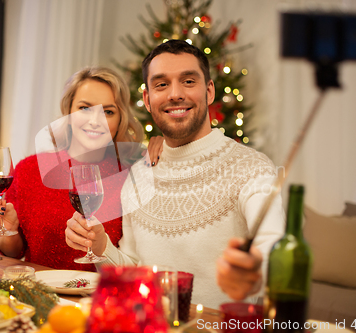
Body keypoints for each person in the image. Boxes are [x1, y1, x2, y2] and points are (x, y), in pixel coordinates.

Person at [65, 40, 285, 308]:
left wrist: (254, 270)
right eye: (161, 84)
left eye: (188, 81)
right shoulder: (137, 176)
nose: (175, 94)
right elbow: (132, 270)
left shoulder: (252, 168)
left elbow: (275, 249)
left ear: (209, 91)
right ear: (147, 99)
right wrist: (101, 247)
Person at [0, 66, 162, 272]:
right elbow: (15, 253)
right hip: (40, 296)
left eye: (108, 111)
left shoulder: (136, 172)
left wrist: (163, 144)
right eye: (85, 108)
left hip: (102, 298)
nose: (95, 121)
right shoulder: (28, 170)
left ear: (120, 118)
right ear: (67, 112)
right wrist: (9, 230)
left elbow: (142, 257)